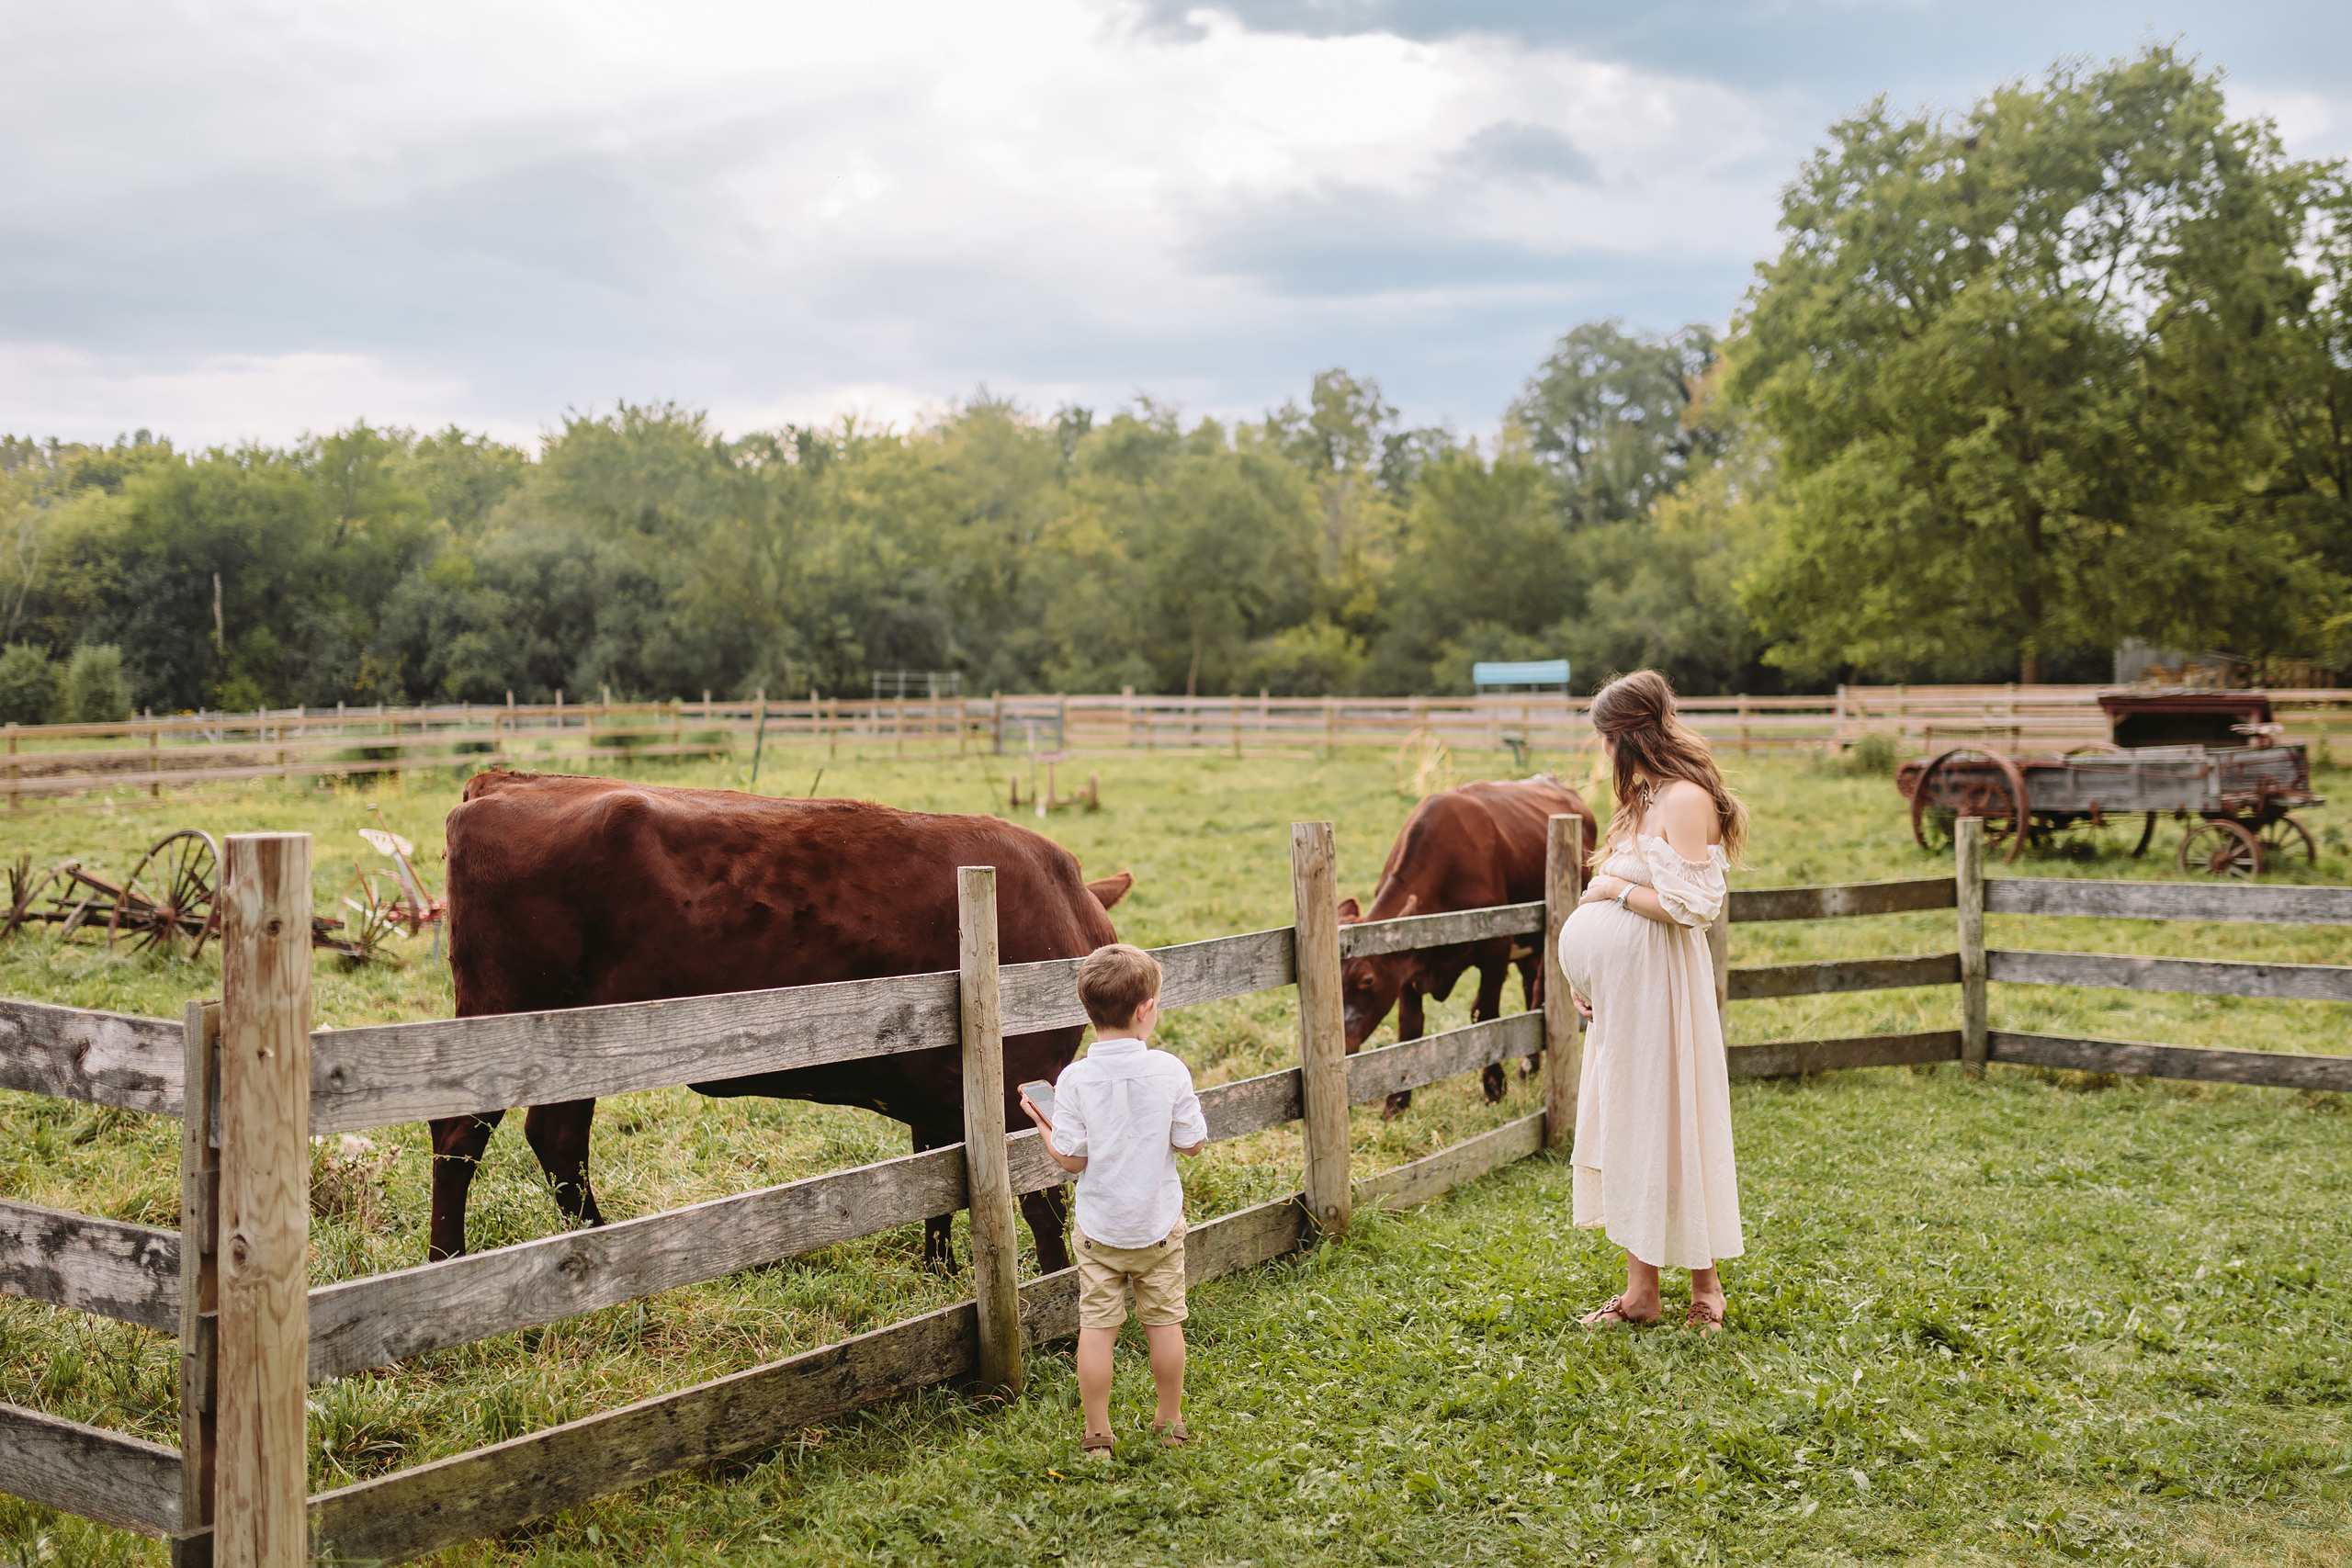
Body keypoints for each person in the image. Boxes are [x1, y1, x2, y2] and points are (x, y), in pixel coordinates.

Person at [1557, 669, 1747, 1333]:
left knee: (1675, 1120)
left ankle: (1707, 1289)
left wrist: (1608, 894)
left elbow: (1691, 905)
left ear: (1625, 735)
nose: (1601, 753)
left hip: (1665, 992)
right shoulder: (1644, 799)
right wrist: (1588, 976)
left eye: (1604, 739)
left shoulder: (1686, 799)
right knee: (1631, 1124)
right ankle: (1641, 1293)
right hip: (1625, 997)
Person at [1022, 942, 1209, 1458]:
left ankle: (1098, 1436)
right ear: (1146, 1009)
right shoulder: (1170, 1070)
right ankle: (1170, 1422)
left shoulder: (1075, 1079)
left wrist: (1045, 1123)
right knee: (1164, 1324)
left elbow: (1073, 1160)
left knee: (1097, 1329)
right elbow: (1191, 1142)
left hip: (1101, 1230)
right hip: (1157, 1223)